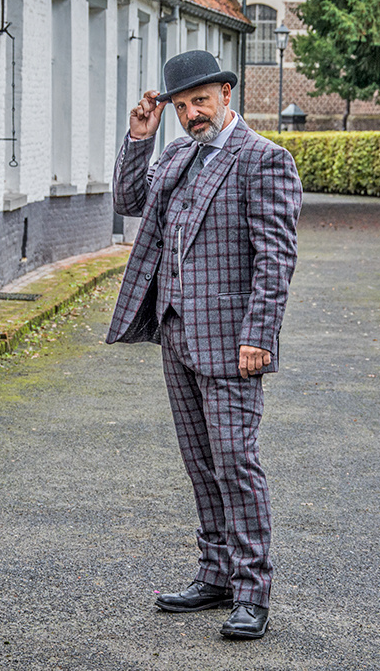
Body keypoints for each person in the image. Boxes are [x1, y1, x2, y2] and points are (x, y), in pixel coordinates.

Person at [106, 50, 301, 640]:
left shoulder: (263, 160)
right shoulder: (175, 154)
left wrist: (259, 336)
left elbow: (276, 257)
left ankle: (251, 590)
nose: (193, 113)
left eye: (201, 100)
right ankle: (214, 573)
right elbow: (127, 203)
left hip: (232, 343)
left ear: (224, 94)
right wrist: (139, 136)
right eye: (182, 105)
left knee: (236, 463)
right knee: (200, 465)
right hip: (177, 334)